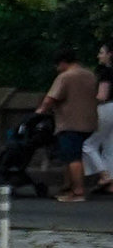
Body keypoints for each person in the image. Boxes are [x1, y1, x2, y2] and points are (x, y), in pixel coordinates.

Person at [44, 48, 95, 203]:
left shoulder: (65, 76)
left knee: (73, 157)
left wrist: (40, 112)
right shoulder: (90, 75)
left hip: (69, 123)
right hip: (89, 121)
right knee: (72, 155)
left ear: (62, 63)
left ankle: (78, 192)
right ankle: (68, 187)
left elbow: (51, 98)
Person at [84, 42, 113, 196]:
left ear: (110, 54)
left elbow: (102, 96)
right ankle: (111, 183)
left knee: (88, 145)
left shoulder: (106, 72)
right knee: (109, 146)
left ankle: (104, 175)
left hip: (107, 108)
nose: (98, 55)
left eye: (102, 52)